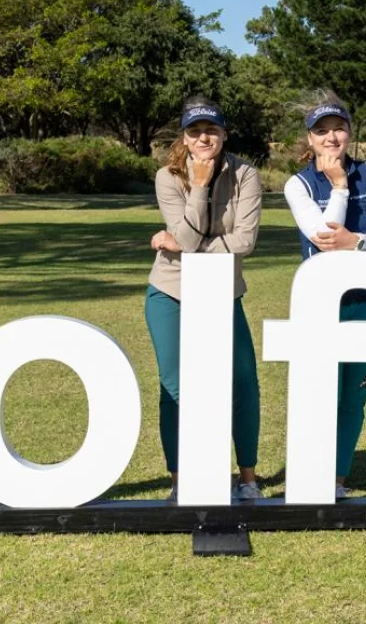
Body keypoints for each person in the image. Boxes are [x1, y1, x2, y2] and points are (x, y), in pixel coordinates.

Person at [144, 96, 264, 502]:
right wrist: (198, 185)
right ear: (185, 137)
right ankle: (179, 480)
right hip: (172, 291)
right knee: (174, 387)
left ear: (224, 134)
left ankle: (247, 478)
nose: (204, 137)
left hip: (222, 292)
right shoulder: (166, 176)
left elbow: (245, 241)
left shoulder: (246, 174)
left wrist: (182, 245)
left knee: (243, 381)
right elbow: (191, 239)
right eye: (195, 131)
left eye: (211, 130)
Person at [282, 96, 366, 499]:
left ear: (349, 131)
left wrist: (357, 241)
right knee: (318, 389)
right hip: (320, 300)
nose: (332, 137)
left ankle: (336, 479)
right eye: (321, 130)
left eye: (338, 128)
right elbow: (324, 237)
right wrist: (340, 188)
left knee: (353, 393)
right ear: (309, 139)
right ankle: (311, 473)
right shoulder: (296, 184)